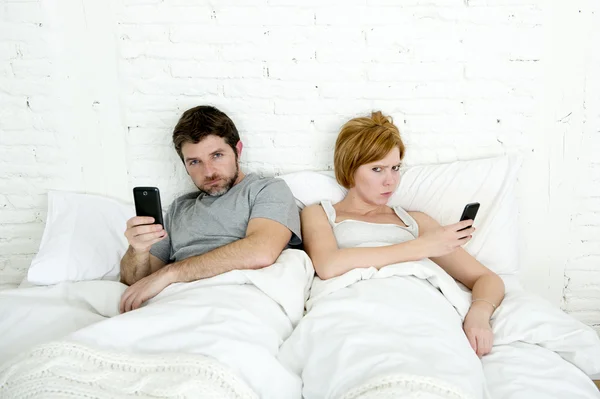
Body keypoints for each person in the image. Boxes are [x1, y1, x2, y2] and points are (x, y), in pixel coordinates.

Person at [300, 111, 505, 357]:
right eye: (377, 169)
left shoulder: (415, 222)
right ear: (350, 167)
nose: (391, 181)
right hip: (356, 311)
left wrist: (479, 315)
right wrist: (423, 247)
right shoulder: (320, 214)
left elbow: (487, 279)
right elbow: (328, 265)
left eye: (395, 168)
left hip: (419, 310)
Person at [119, 105, 302, 313]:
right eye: (195, 162)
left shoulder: (266, 189)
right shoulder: (179, 209)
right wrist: (137, 250)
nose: (208, 172)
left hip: (239, 302)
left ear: (237, 150)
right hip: (177, 302)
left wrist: (172, 273)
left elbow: (262, 252)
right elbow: (137, 283)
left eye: (217, 155)